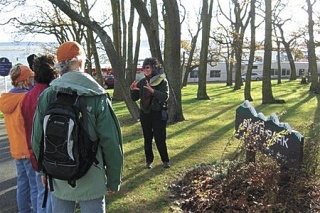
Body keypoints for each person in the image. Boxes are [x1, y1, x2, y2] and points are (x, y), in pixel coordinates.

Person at [31, 41, 123, 213]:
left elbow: (37, 138)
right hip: (92, 176)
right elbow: (111, 142)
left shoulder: (48, 95)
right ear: (80, 62)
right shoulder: (97, 96)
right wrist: (113, 179)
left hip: (58, 173)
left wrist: (44, 170)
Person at [22, 54, 59, 213]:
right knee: (52, 196)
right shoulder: (52, 94)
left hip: (35, 151)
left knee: (40, 194)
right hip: (52, 153)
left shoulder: (28, 96)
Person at [0, 64, 38, 213]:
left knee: (23, 184)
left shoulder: (7, 98)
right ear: (25, 79)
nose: (32, 80)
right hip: (28, 148)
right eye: (31, 77)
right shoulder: (25, 98)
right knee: (35, 186)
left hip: (16, 148)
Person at [130, 57, 170, 169]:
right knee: (147, 138)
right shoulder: (142, 82)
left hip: (158, 113)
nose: (145, 70)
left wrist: (152, 91)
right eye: (144, 68)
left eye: (147, 67)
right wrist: (132, 90)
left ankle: (165, 160)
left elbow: (165, 97)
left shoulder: (162, 81)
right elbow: (134, 98)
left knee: (159, 138)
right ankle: (149, 161)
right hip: (145, 113)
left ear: (154, 67)